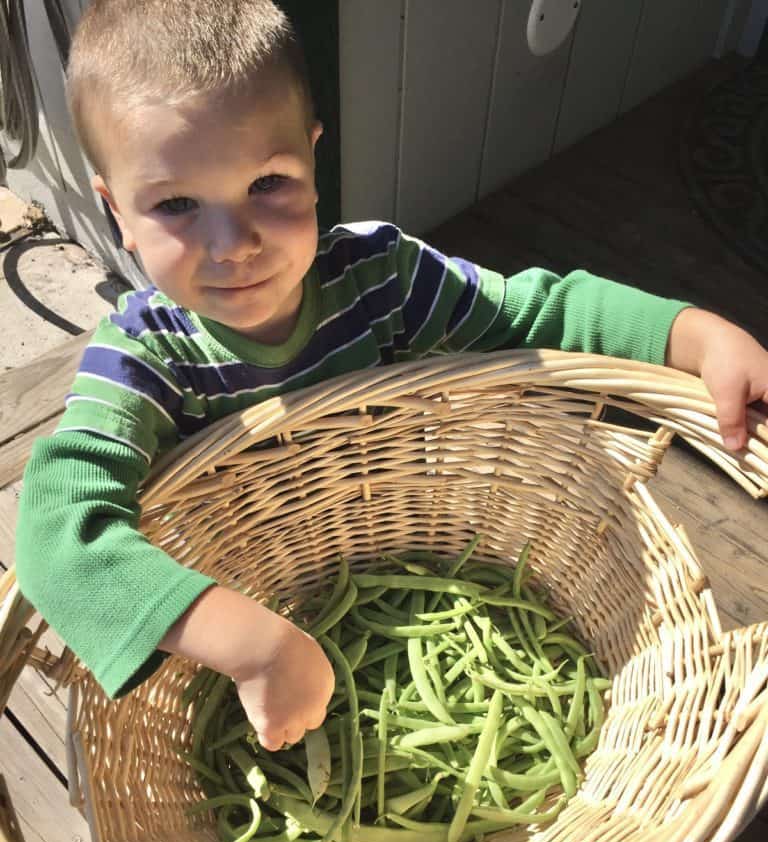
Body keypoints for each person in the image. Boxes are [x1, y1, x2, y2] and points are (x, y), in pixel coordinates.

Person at [15, 0, 768, 753]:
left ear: (313, 158)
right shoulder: (143, 358)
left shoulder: (382, 277)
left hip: (411, 546)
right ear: (117, 212)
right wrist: (252, 646)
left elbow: (537, 315)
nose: (233, 243)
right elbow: (57, 536)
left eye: (268, 184)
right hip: (249, 607)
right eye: (176, 205)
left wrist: (694, 336)